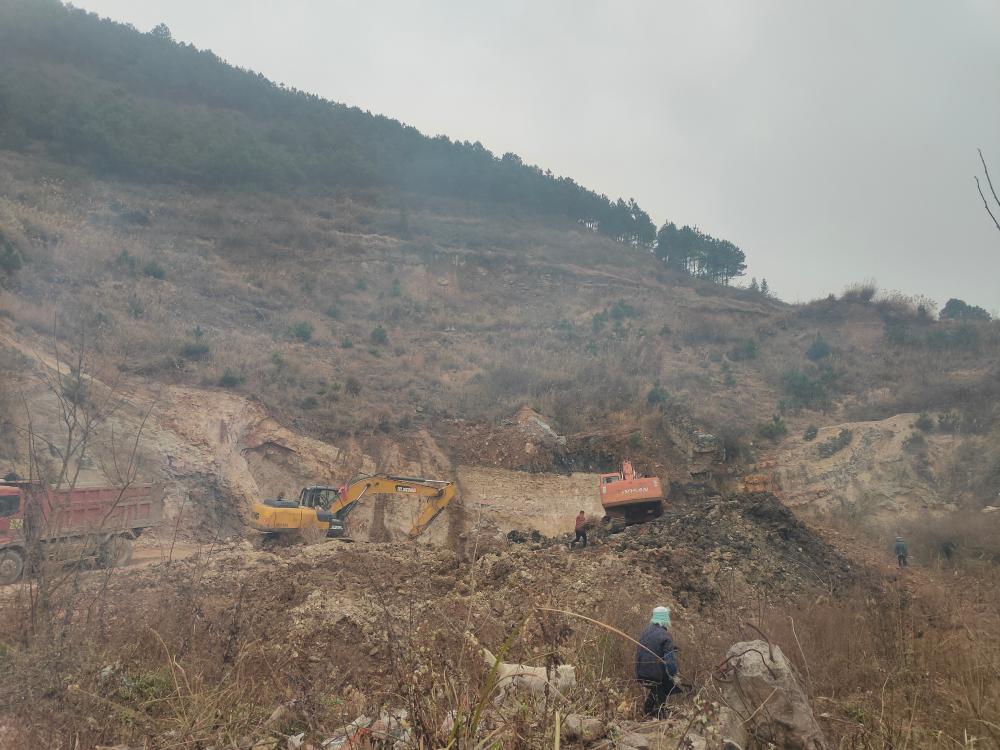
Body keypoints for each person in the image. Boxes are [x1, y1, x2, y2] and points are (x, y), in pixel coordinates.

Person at [635, 606, 678, 717]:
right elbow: (670, 662)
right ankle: (659, 715)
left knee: (657, 689)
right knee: (664, 687)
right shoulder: (666, 636)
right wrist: (674, 675)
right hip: (654, 675)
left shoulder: (645, 632)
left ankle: (648, 709)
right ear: (665, 618)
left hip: (640, 672)